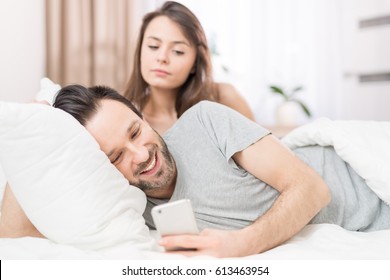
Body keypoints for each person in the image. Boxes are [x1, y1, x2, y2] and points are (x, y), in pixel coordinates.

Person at [123, 1, 255, 135]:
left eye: (178, 51)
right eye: (153, 46)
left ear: (195, 63)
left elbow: (265, 152)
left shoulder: (224, 97)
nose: (162, 57)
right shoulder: (130, 121)